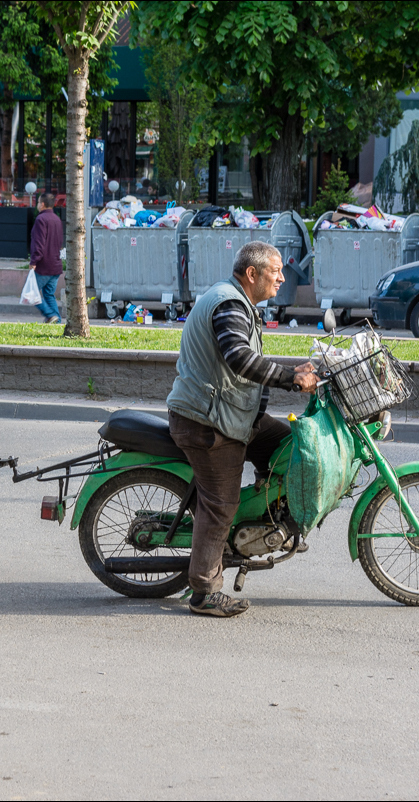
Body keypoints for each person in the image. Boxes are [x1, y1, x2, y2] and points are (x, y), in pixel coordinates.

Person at [167, 241, 319, 618]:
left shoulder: (241, 303)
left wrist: (298, 373)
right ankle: (204, 592)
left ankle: (268, 520)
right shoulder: (230, 304)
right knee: (221, 505)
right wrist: (290, 379)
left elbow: (248, 363)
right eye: (276, 271)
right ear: (252, 274)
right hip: (207, 422)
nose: (283, 278)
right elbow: (239, 358)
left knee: (288, 443)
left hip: (234, 416)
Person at [29, 193, 64, 323]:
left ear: (42, 204)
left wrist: (34, 261)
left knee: (32, 293)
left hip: (44, 265)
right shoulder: (56, 219)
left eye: (38, 202)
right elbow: (59, 241)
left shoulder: (40, 220)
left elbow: (38, 243)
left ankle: (50, 315)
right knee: (49, 295)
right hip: (56, 264)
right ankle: (57, 321)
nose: (37, 205)